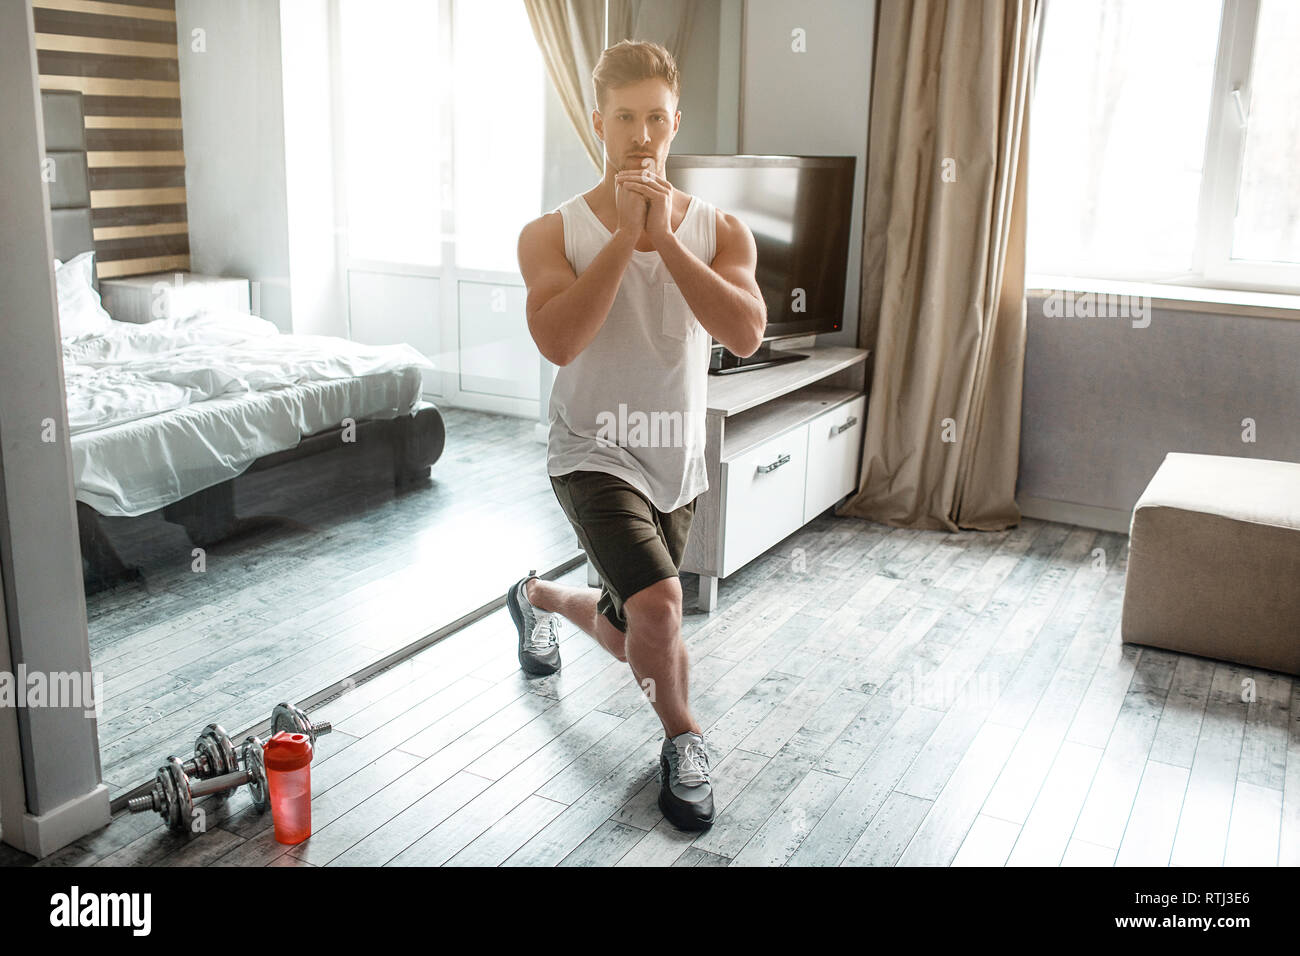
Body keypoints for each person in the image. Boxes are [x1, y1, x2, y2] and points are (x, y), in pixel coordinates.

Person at [510, 39, 766, 832]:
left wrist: (666, 241)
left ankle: (536, 597)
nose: (641, 134)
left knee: (631, 636)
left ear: (675, 122)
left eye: (656, 117)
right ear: (598, 124)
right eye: (625, 117)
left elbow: (747, 332)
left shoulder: (722, 230)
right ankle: (685, 745)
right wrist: (624, 235)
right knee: (660, 608)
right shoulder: (550, 233)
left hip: (675, 461)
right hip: (590, 451)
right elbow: (559, 340)